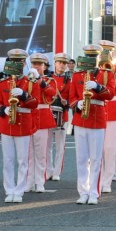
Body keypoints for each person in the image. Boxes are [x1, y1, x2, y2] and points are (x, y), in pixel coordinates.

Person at [69, 44, 116, 205]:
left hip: (97, 117)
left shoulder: (106, 75)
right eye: (87, 56)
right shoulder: (77, 75)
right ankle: (83, 191)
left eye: (93, 57)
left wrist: (98, 86)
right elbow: (71, 97)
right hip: (81, 118)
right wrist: (78, 104)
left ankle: (94, 192)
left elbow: (110, 94)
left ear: (98, 58)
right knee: (81, 158)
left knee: (96, 158)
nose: (90, 60)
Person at [0, 49, 38, 203]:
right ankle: (9, 189)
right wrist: (2, 109)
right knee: (8, 160)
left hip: (23, 123)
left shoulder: (30, 82)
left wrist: (24, 95)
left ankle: (19, 190)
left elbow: (35, 104)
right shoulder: (3, 83)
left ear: (24, 63)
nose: (18, 64)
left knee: (22, 160)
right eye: (14, 61)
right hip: (7, 123)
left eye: (20, 61)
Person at [25, 52, 57, 193]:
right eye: (34, 64)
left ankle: (40, 181)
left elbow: (52, 94)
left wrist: (41, 82)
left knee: (41, 153)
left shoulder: (49, 80)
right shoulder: (26, 80)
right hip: (29, 116)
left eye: (39, 64)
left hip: (43, 116)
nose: (37, 66)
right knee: (28, 153)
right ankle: (29, 181)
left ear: (44, 66)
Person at [99, 41, 116, 194]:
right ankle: (95, 179)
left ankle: (106, 180)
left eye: (108, 52)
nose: (105, 55)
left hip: (112, 110)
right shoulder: (93, 69)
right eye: (103, 51)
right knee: (95, 149)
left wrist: (110, 73)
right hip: (96, 109)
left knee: (109, 148)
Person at [47, 53, 72, 181]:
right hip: (49, 113)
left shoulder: (69, 80)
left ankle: (57, 171)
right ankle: (49, 170)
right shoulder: (48, 78)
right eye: (60, 62)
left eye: (64, 63)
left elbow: (72, 97)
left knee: (60, 145)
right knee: (48, 145)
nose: (62, 65)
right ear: (55, 63)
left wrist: (66, 102)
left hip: (63, 114)